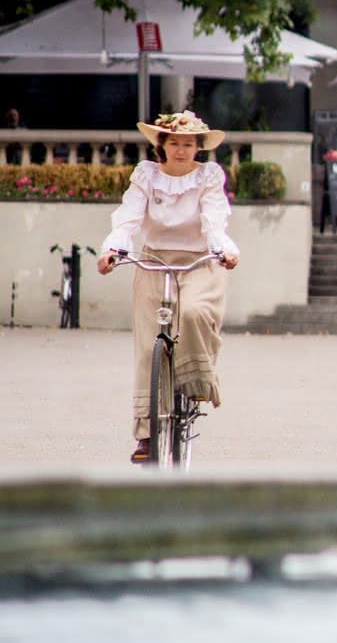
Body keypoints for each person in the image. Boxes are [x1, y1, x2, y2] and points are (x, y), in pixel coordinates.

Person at [96, 111, 239, 464]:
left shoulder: (208, 176)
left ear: (198, 147)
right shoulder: (147, 175)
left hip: (200, 261)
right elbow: (129, 214)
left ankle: (193, 385)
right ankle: (146, 434)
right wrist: (112, 249)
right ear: (162, 144)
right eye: (174, 142)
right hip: (154, 260)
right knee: (148, 348)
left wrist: (224, 247)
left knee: (193, 312)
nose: (180, 150)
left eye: (188, 144)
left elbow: (214, 215)